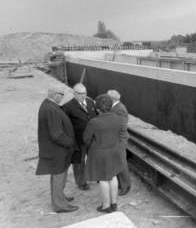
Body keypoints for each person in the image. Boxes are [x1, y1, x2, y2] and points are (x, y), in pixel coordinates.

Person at [35, 85, 78, 213]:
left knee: (58, 177)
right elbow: (56, 134)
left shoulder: (48, 105)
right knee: (59, 177)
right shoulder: (50, 109)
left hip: (56, 150)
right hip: (57, 151)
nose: (63, 97)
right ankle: (60, 205)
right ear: (54, 95)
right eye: (61, 94)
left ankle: (59, 198)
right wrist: (70, 142)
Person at [83, 94, 128, 213]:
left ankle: (106, 206)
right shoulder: (117, 118)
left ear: (97, 108)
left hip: (99, 153)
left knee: (103, 179)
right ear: (110, 106)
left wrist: (95, 144)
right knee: (113, 176)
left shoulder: (94, 122)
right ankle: (114, 204)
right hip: (114, 151)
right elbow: (121, 133)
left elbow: (86, 139)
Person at [62, 83, 96, 190]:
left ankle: (96, 176)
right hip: (78, 140)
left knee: (94, 158)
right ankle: (81, 182)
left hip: (92, 138)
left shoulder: (90, 102)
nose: (83, 95)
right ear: (74, 94)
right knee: (79, 162)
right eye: (80, 94)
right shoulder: (67, 107)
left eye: (84, 93)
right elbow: (64, 125)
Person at [107, 89, 131, 196]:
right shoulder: (114, 107)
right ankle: (120, 183)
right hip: (114, 140)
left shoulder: (120, 109)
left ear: (111, 99)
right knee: (117, 162)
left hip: (119, 140)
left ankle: (126, 186)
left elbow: (121, 127)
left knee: (121, 163)